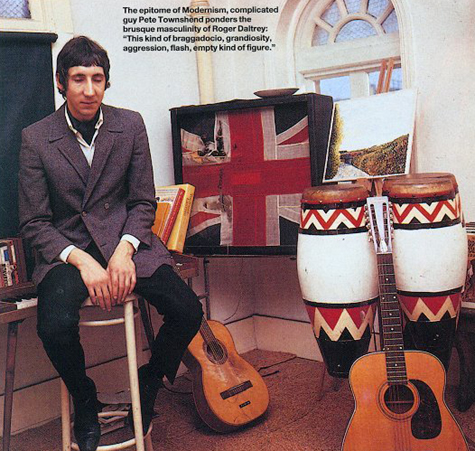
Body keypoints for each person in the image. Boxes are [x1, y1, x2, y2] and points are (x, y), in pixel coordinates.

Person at [18, 36, 203, 451]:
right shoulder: (35, 138)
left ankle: (150, 381)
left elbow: (142, 201)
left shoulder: (130, 124)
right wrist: (83, 261)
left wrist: (125, 250)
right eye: (78, 79)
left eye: (97, 79)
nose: (89, 89)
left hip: (127, 242)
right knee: (53, 326)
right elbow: (34, 222)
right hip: (68, 253)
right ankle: (86, 399)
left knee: (188, 310)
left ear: (106, 83)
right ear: (61, 83)